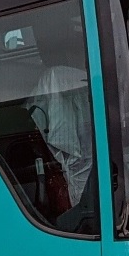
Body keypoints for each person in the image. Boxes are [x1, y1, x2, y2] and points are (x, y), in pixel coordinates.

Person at [27, 20, 95, 215]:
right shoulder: (58, 79)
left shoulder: (56, 78)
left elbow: (62, 139)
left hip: (80, 175)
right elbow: (63, 140)